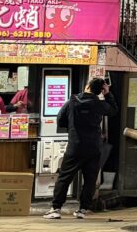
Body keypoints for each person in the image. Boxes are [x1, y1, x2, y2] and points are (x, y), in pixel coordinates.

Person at [44, 77, 117, 220]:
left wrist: (72, 128)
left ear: (88, 86)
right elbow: (113, 110)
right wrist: (108, 94)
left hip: (75, 145)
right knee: (90, 179)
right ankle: (83, 209)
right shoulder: (99, 104)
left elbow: (60, 119)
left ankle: (56, 208)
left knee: (65, 177)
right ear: (100, 90)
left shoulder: (73, 101)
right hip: (93, 146)